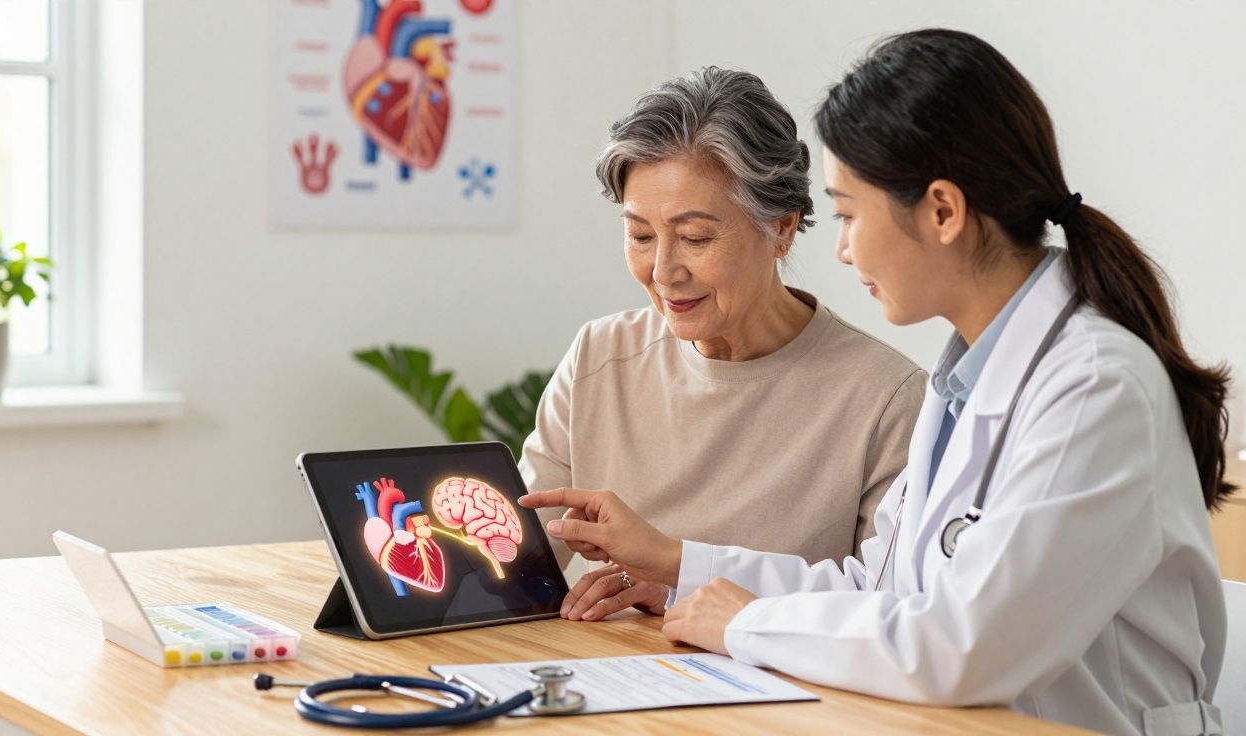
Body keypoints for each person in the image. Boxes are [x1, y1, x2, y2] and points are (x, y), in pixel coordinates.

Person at [521, 30, 1233, 735]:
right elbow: (876, 589)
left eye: (849, 213)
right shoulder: (969, 381)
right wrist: (691, 575)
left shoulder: (1095, 389)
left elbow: (964, 649)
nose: (839, 246)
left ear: (944, 212)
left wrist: (745, 621)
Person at [518, 67, 925, 621]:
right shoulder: (600, 357)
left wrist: (683, 585)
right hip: (616, 688)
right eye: (639, 235)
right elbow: (510, 557)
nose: (663, 271)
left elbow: (891, 608)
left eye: (695, 238)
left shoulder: (886, 398)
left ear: (781, 228)